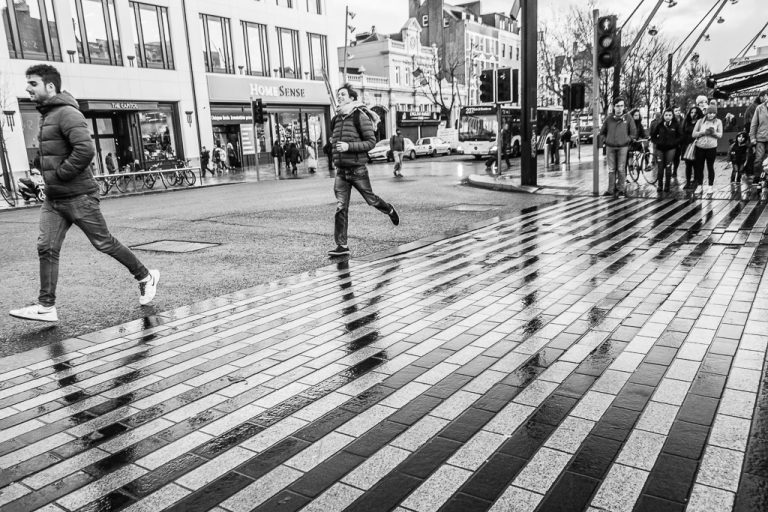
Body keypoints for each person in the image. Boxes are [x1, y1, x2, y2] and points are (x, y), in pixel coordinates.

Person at [9, 64, 159, 323]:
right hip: (54, 199)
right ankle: (46, 306)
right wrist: (41, 178)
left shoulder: (67, 113)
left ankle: (146, 276)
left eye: (33, 84)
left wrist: (59, 175)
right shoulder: (48, 115)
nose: (28, 88)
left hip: (79, 196)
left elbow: (85, 150)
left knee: (104, 243)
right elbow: (54, 154)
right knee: (46, 247)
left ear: (50, 86)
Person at [328, 83, 399, 257]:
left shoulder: (359, 116)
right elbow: (335, 143)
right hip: (341, 171)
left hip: (357, 169)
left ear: (352, 98)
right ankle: (342, 246)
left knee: (371, 200)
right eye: (338, 95)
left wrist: (349, 146)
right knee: (340, 208)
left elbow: (371, 142)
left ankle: (389, 209)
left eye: (343, 94)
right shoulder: (336, 119)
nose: (339, 97)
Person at [599, 97, 637, 196]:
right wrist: (606, 140)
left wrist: (627, 140)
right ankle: (610, 190)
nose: (619, 108)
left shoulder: (628, 118)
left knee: (621, 169)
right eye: (617, 106)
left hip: (623, 147)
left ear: (624, 107)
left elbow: (633, 132)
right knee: (611, 169)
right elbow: (602, 132)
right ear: (614, 107)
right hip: (610, 147)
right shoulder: (609, 119)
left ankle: (621, 189)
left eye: (621, 106)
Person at [692, 104, 723, 195]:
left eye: (713, 113)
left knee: (710, 167)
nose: (711, 115)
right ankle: (699, 185)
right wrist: (703, 132)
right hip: (700, 147)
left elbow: (720, 135)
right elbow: (693, 134)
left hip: (712, 148)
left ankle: (710, 186)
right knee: (699, 167)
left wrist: (713, 133)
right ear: (706, 113)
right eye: (709, 113)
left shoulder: (718, 122)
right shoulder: (700, 121)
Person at [650, 107, 681, 192]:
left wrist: (674, 143)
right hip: (660, 148)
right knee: (660, 168)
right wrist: (658, 142)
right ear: (663, 116)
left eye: (670, 115)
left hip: (671, 149)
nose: (668, 117)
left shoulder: (676, 125)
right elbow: (653, 136)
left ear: (672, 116)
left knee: (668, 167)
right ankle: (660, 185)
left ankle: (667, 186)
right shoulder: (659, 125)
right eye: (666, 115)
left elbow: (680, 136)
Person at [681, 106, 703, 189]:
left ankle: (696, 181)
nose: (693, 114)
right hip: (687, 146)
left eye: (695, 112)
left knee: (696, 165)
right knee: (688, 165)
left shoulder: (701, 122)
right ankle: (687, 182)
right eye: (691, 112)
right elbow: (683, 133)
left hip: (697, 146)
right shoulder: (686, 122)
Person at [749, 88, 768, 185]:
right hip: (761, 138)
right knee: (758, 159)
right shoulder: (759, 108)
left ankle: (766, 179)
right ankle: (757, 177)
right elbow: (754, 124)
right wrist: (752, 137)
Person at [672, 106, 684, 179]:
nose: (678, 112)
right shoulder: (671, 120)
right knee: (671, 157)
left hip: (679, 143)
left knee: (677, 157)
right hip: (671, 142)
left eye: (679, 110)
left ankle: (675, 170)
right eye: (676, 111)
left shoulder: (683, 120)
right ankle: (670, 170)